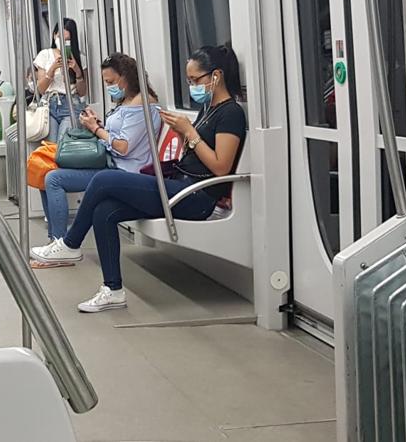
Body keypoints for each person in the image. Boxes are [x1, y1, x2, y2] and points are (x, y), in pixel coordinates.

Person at [35, 45, 248, 313]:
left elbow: (220, 167)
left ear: (216, 76)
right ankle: (112, 290)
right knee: (104, 211)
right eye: (189, 81)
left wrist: (188, 132)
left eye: (196, 80)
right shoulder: (209, 110)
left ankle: (70, 244)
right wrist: (184, 134)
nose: (192, 86)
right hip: (182, 185)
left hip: (197, 197)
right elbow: (196, 155)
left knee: (103, 180)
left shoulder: (231, 114)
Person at [30, 53, 162, 258]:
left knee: (54, 179)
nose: (108, 86)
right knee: (45, 168)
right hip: (110, 161)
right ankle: (57, 241)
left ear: (126, 77)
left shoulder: (141, 104)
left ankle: (62, 243)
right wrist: (97, 124)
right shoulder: (128, 101)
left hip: (123, 169)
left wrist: (96, 129)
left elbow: (123, 147)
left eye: (110, 81)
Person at [34, 18, 89, 143]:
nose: (63, 42)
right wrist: (52, 69)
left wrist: (77, 71)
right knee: (50, 147)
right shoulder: (45, 55)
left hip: (71, 104)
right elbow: (41, 89)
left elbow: (82, 92)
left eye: (67, 40)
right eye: (60, 37)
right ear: (54, 35)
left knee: (64, 144)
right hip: (49, 104)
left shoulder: (79, 57)